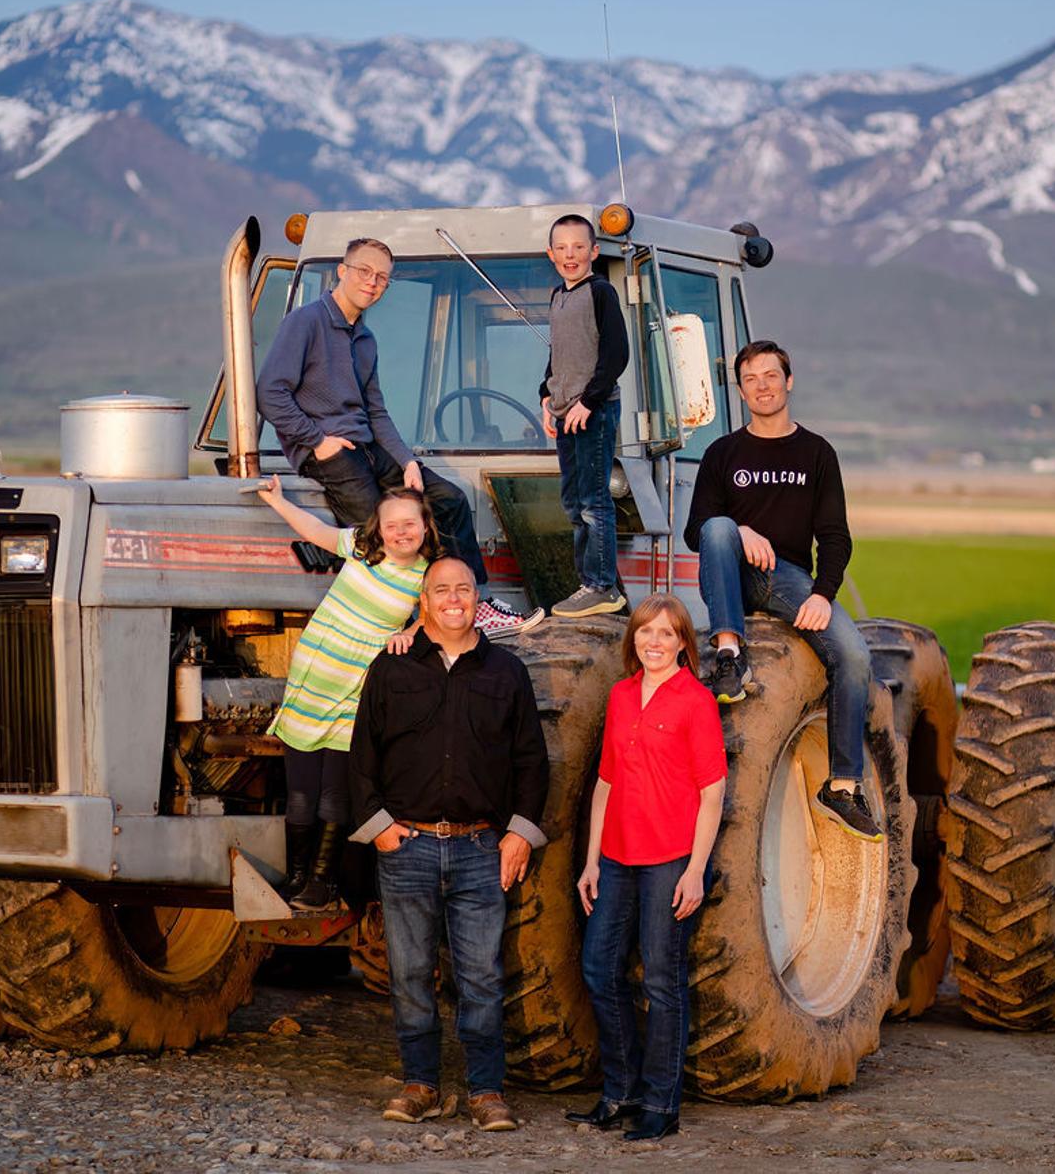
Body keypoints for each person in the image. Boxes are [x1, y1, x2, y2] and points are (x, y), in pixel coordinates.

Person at [348, 555, 549, 1132]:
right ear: (425, 601)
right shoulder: (390, 671)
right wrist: (381, 827)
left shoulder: (506, 672)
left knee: (481, 976)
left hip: (481, 849)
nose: (454, 598)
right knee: (410, 973)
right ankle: (421, 1085)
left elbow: (531, 762)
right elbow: (362, 758)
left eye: (464, 588)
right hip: (406, 848)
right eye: (442, 590)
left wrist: (520, 834)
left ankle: (486, 1091)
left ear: (476, 597)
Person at [257, 236, 542, 640]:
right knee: (386, 534)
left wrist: (408, 461)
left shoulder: (365, 340)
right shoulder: (306, 322)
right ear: (343, 271)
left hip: (369, 448)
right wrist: (317, 440)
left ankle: (476, 606)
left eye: (382, 278)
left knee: (449, 500)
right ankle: (410, 631)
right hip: (327, 452)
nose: (372, 283)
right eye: (364, 272)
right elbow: (269, 392)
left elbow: (376, 412)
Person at [682, 339, 881, 842]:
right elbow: (697, 531)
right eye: (751, 379)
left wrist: (822, 593)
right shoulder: (722, 453)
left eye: (771, 376)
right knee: (720, 529)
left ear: (788, 382)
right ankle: (730, 657)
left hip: (787, 578)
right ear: (741, 389)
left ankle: (842, 784)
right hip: (729, 571)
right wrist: (739, 529)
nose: (762, 386)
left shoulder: (816, 453)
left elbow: (836, 536)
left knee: (854, 656)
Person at [570, 594, 726, 1142]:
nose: (653, 642)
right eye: (645, 632)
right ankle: (621, 1092)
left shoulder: (696, 701)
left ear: (683, 642)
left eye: (665, 633)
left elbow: (713, 792)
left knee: (662, 982)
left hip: (669, 861)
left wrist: (695, 870)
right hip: (615, 857)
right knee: (599, 969)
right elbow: (606, 783)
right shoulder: (619, 696)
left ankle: (662, 1104)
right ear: (633, 638)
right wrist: (591, 859)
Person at [257, 474, 438, 908]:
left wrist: (409, 631)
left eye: (410, 524)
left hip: (358, 684)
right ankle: (297, 878)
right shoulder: (362, 547)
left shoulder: (426, 574)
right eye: (392, 524)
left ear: (426, 527)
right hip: (315, 673)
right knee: (300, 790)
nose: (401, 532)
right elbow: (316, 532)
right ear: (379, 528)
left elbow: (436, 615)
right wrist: (279, 502)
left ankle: (323, 881)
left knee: (335, 790)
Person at [538, 214, 631, 619]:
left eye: (578, 247)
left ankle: (602, 587)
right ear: (551, 254)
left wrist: (587, 403)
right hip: (564, 411)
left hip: (592, 410)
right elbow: (559, 355)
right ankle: (586, 583)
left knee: (595, 501)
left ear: (594, 251)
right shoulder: (558, 295)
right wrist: (546, 395)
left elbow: (616, 355)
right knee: (573, 501)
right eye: (562, 248)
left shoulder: (601, 293)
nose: (570, 254)